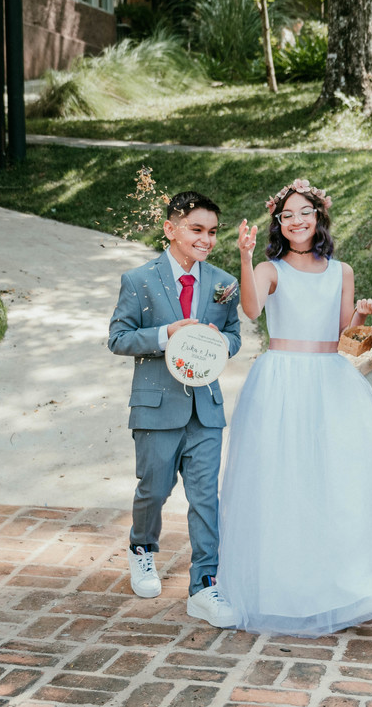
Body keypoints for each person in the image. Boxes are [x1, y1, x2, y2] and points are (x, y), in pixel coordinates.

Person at [217, 179, 372, 637]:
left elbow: (346, 342)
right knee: (282, 480)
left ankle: (344, 587)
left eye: (304, 212)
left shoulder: (341, 271)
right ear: (278, 223)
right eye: (287, 215)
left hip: (331, 381)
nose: (296, 221)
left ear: (319, 216)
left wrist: (362, 315)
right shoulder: (270, 269)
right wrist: (244, 256)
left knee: (336, 481)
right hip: (281, 381)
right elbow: (251, 310)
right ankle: (281, 589)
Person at [108, 191, 242, 628]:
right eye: (196, 229)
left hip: (206, 410)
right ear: (170, 229)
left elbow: (234, 334)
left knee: (205, 498)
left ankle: (205, 585)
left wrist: (222, 343)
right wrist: (167, 334)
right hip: (156, 407)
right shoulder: (139, 280)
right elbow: (118, 338)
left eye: (213, 232)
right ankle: (141, 547)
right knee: (154, 489)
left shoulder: (224, 283)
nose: (207, 239)